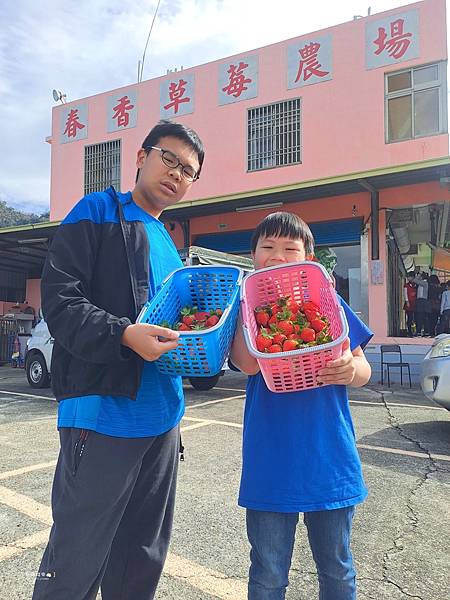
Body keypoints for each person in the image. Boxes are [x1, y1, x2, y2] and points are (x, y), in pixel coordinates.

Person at [32, 120, 205, 600]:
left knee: (140, 561)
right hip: (102, 415)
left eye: (188, 170)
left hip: (163, 422)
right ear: (141, 157)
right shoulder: (98, 212)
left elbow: (181, 326)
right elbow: (60, 301)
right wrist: (124, 335)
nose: (176, 173)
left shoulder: (170, 243)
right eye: (169, 158)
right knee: (75, 562)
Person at [230, 212, 373, 600]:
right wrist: (250, 304)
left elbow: (364, 368)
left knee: (337, 569)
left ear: (308, 257)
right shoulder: (243, 310)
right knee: (268, 573)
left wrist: (350, 368)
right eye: (268, 248)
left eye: (290, 249)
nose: (278, 256)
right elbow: (246, 363)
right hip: (270, 461)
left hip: (329, 458)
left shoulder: (329, 303)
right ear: (253, 256)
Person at [413, 271, 429, 336]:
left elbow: (415, 280)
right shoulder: (422, 283)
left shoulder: (424, 283)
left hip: (422, 301)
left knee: (420, 316)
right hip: (421, 301)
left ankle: (421, 331)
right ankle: (423, 331)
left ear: (422, 277)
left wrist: (418, 275)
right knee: (421, 316)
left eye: (420, 276)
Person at [403, 271, 417, 336]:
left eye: (410, 277)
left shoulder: (416, 285)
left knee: (415, 318)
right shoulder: (406, 285)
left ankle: (415, 331)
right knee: (410, 318)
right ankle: (409, 331)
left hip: (415, 303)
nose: (408, 278)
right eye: (408, 277)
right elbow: (405, 294)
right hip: (409, 303)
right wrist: (407, 302)